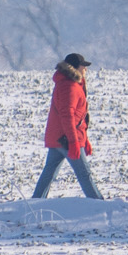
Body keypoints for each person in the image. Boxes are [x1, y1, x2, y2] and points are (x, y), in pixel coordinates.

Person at [31, 52, 104, 199]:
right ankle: (100, 204)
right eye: (83, 66)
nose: (86, 69)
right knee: (84, 174)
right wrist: (74, 142)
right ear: (75, 68)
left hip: (60, 138)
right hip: (67, 139)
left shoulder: (71, 84)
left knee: (49, 173)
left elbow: (79, 117)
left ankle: (35, 203)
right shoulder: (69, 87)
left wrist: (85, 140)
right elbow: (68, 116)